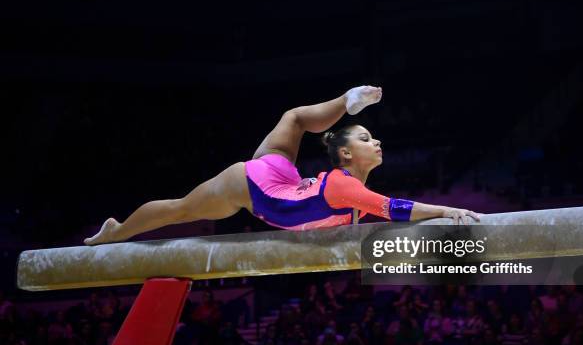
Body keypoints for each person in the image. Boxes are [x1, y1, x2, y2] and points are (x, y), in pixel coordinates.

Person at [85, 86, 480, 245]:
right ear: (344, 155)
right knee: (181, 210)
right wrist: (447, 209)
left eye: (373, 137)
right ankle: (115, 233)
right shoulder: (345, 187)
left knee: (294, 118)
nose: (376, 141)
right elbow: (393, 208)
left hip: (284, 182)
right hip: (252, 185)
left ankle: (348, 101)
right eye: (364, 138)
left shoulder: (346, 188)